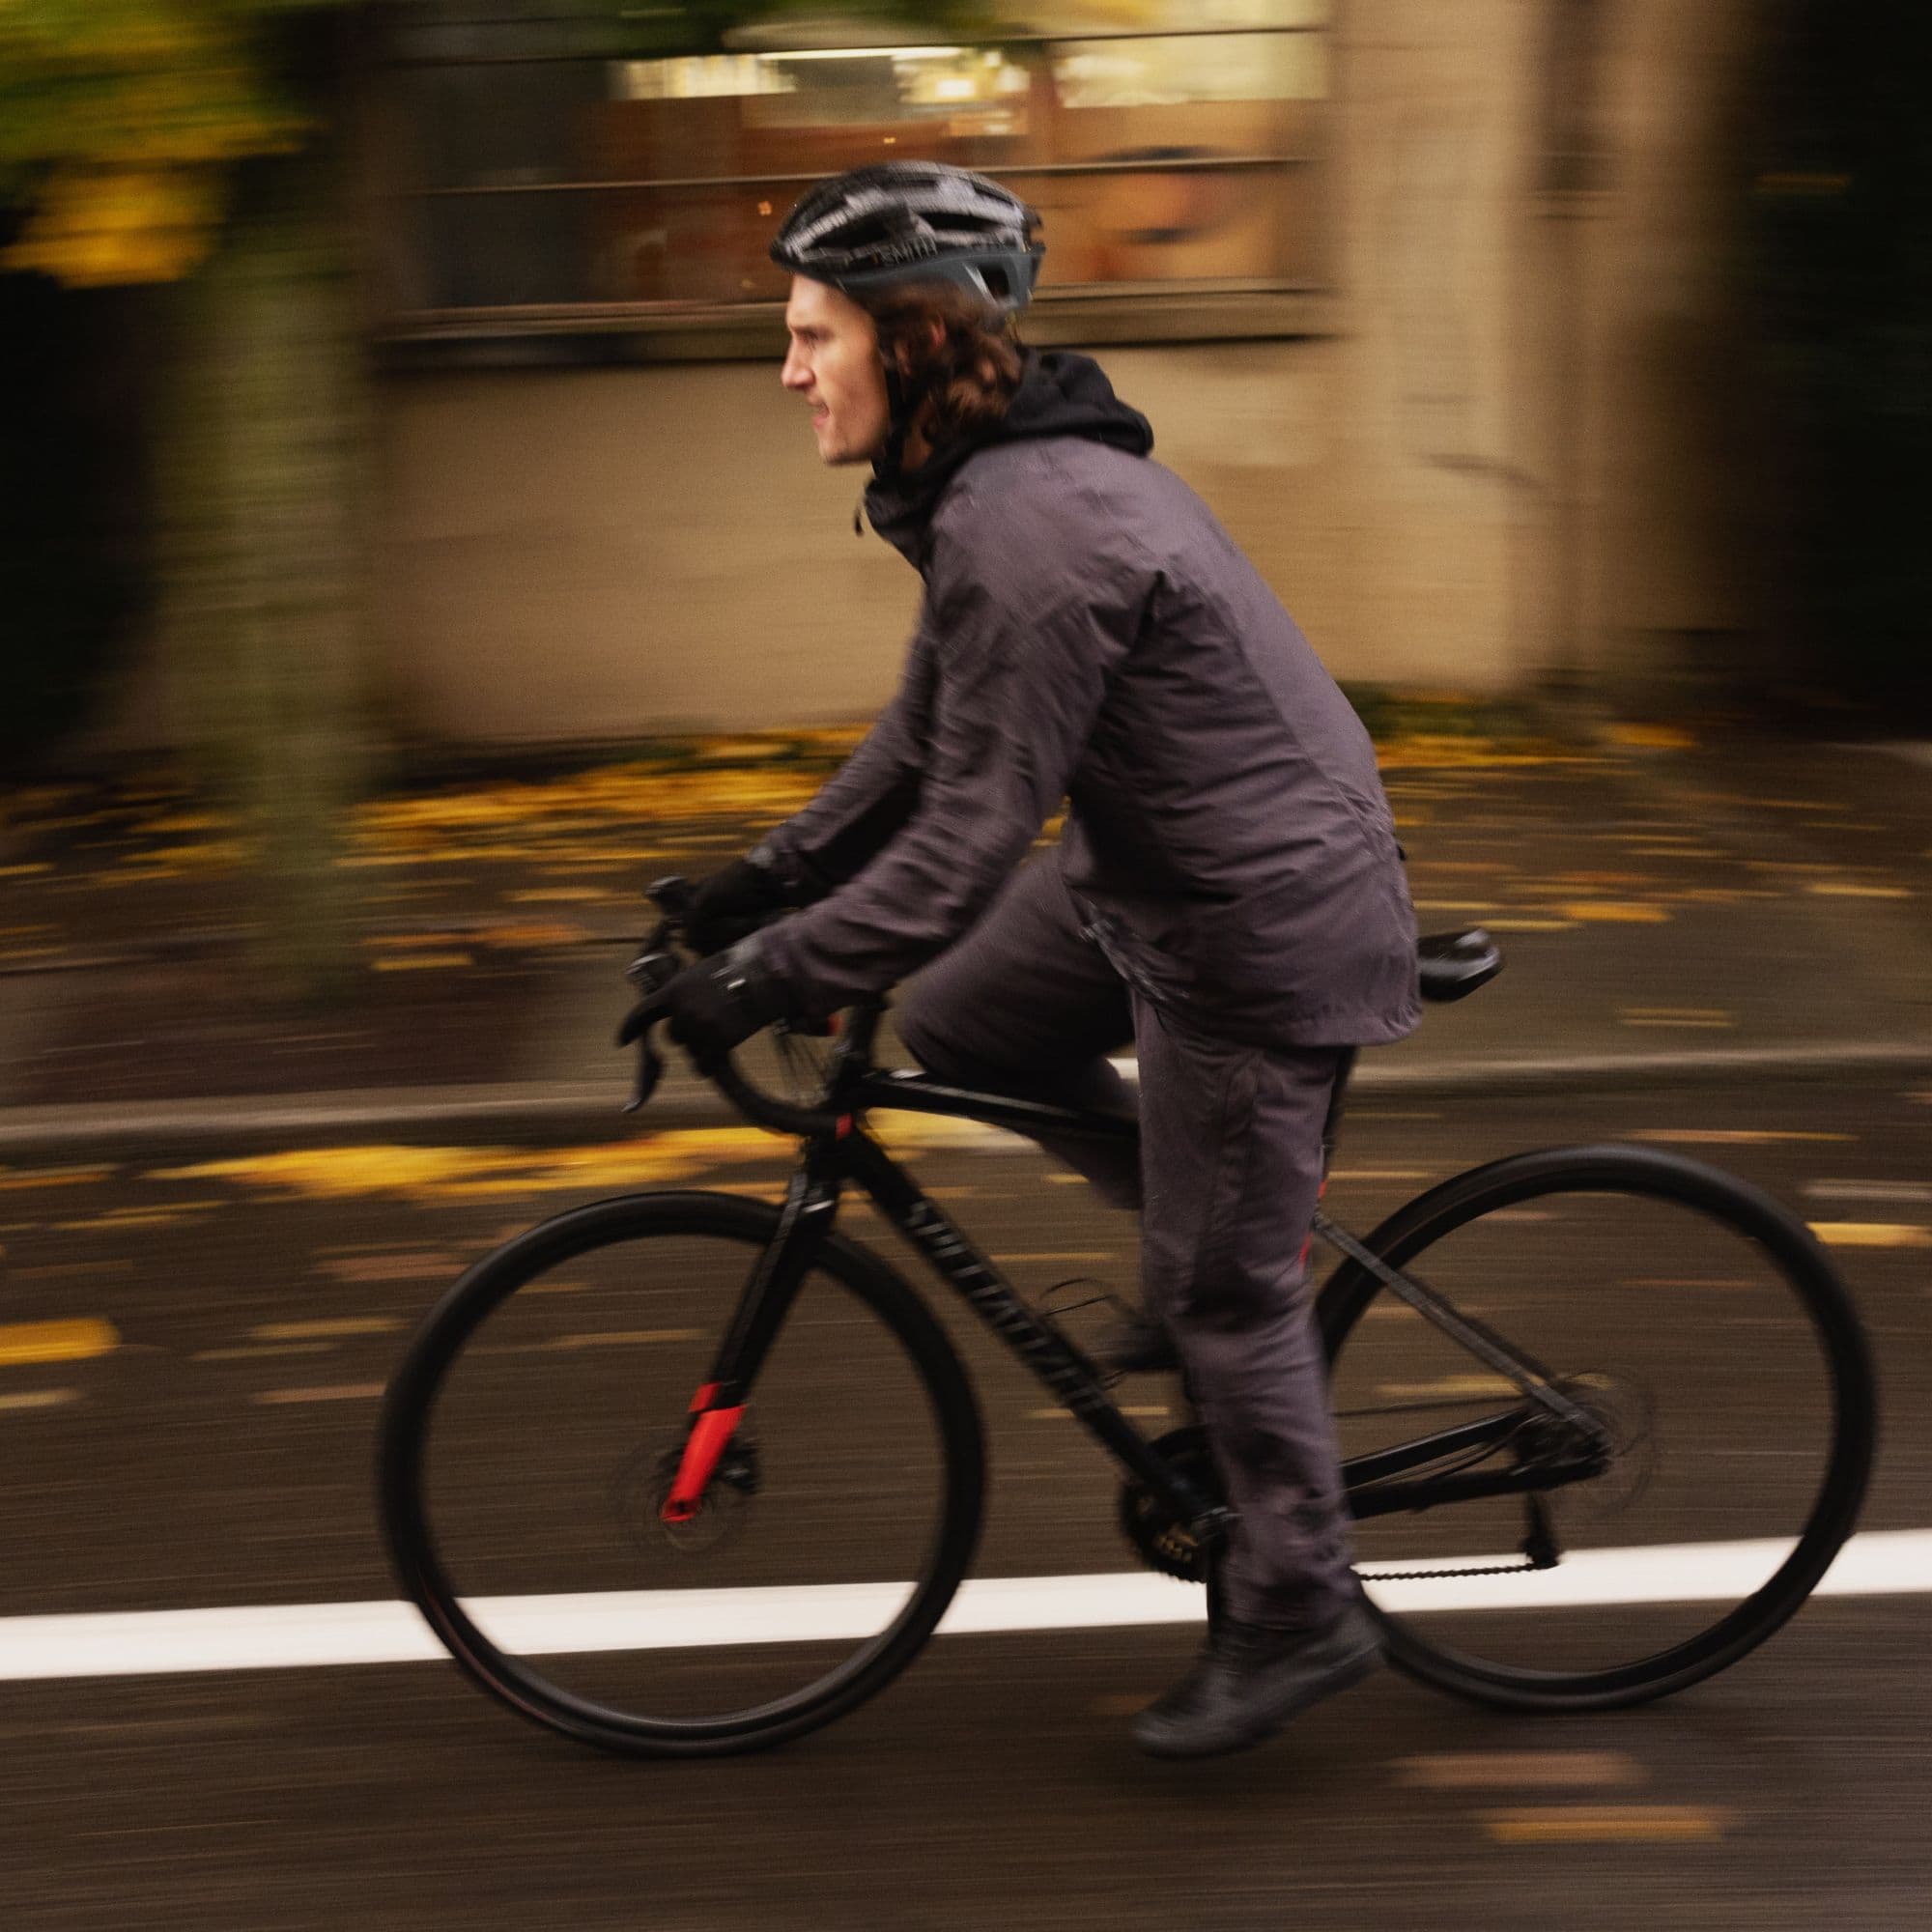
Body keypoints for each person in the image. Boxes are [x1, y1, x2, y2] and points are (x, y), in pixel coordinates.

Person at [653, 161, 1421, 1759]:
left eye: (814, 335)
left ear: (915, 341)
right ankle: (1216, 1237)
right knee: (969, 1023)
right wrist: (764, 880)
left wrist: (770, 974)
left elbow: (955, 847)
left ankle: (1302, 1603)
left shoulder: (1034, 527)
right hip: (1152, 872)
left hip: (1256, 923)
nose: (791, 369)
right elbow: (928, 738)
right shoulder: (984, 487)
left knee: (1219, 1294)